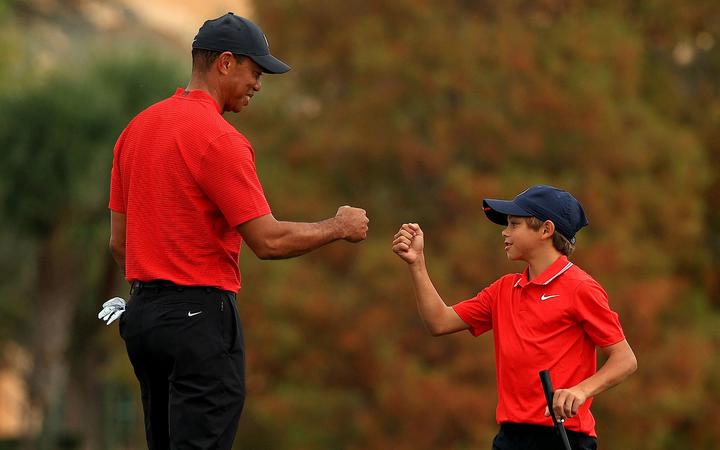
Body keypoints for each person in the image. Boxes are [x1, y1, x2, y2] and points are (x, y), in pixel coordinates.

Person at [107, 13, 369, 450]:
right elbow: (268, 241)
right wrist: (337, 226)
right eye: (256, 70)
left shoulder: (137, 130)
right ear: (225, 63)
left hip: (143, 318)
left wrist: (156, 291)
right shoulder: (218, 138)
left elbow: (119, 243)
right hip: (199, 317)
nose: (259, 84)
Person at [392, 185, 637, 450]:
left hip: (563, 437)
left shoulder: (580, 287)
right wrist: (417, 264)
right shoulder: (503, 289)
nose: (504, 232)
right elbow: (439, 321)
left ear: (546, 230)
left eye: (514, 224)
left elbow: (625, 359)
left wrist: (581, 391)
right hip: (511, 438)